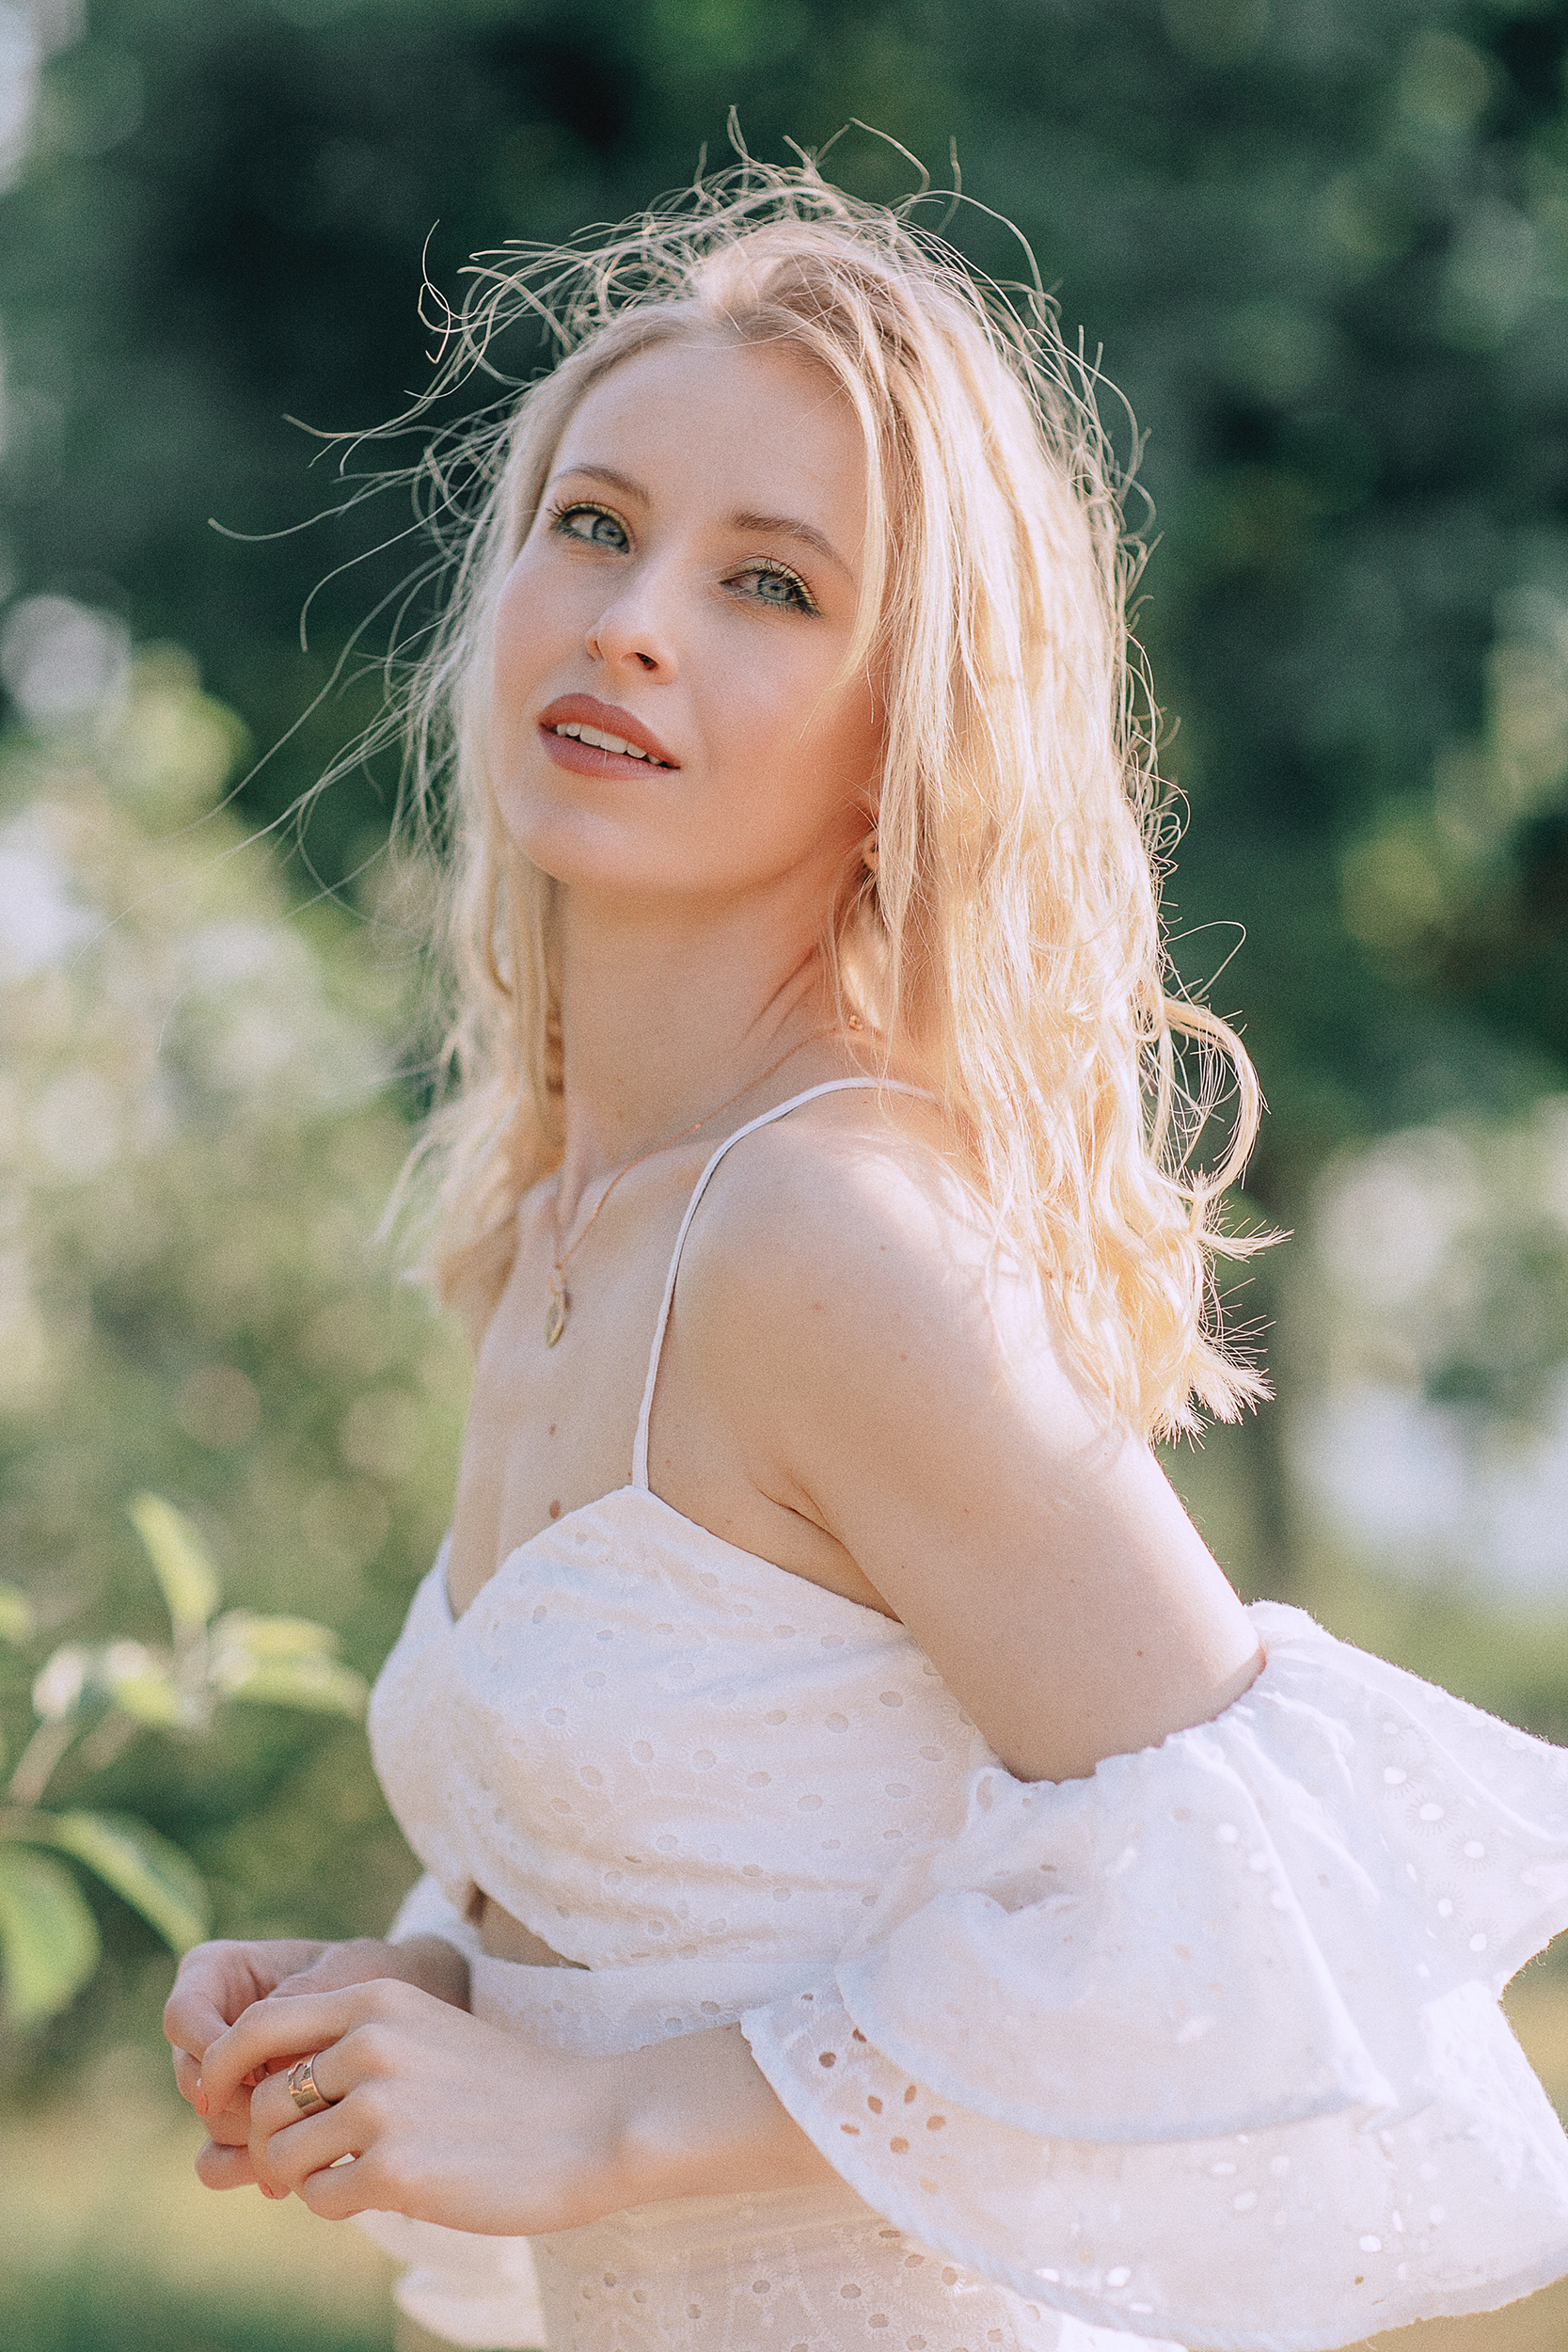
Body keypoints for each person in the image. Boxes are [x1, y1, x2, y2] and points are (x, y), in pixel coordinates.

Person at [164, 159, 1568, 2352]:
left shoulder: (828, 1229)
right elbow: (740, 1887)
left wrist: (596, 2120)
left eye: (772, 582)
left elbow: (1242, 1922)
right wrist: (428, 1991)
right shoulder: (565, 1221)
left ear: (911, 723)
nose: (635, 620)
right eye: (595, 526)